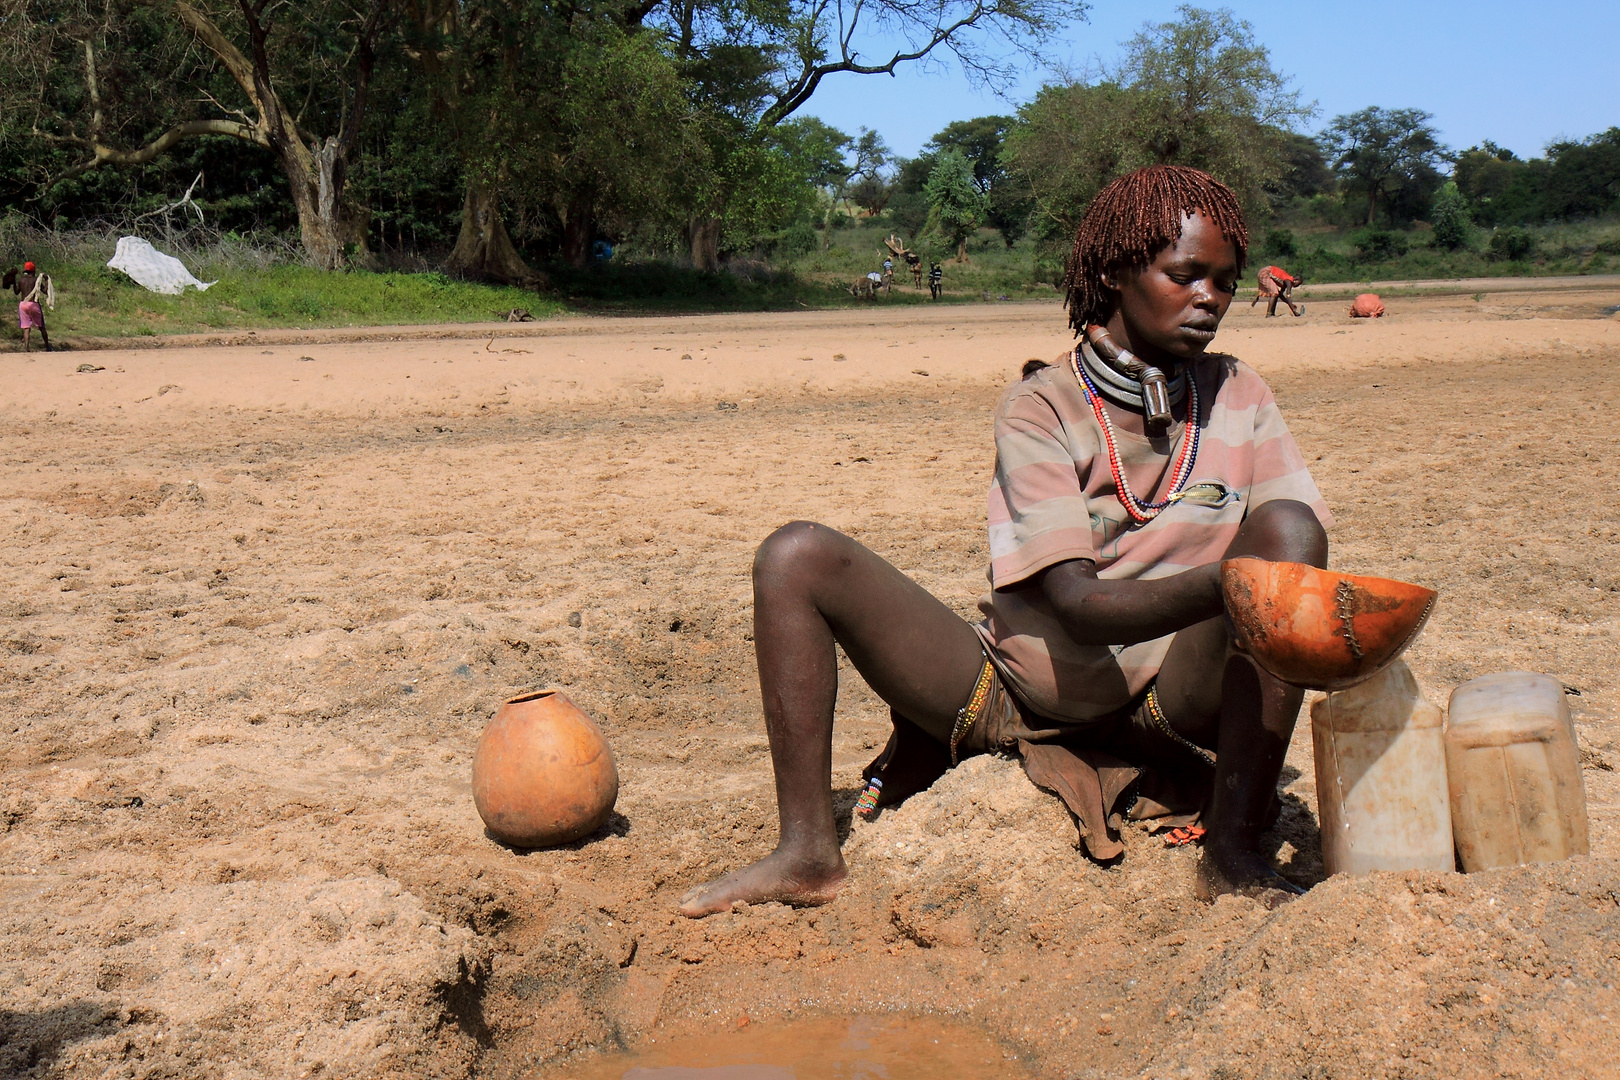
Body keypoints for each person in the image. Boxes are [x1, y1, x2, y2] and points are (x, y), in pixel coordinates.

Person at [678, 165, 1333, 919]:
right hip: (1016, 690)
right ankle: (806, 854)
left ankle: (1234, 851)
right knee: (794, 555)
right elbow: (1075, 604)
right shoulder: (1040, 405)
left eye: (1225, 281)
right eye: (1185, 275)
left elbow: (1295, 556)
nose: (1210, 300)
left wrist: (1284, 601)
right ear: (1116, 271)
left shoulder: (1238, 390)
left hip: (1171, 698)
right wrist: (1231, 587)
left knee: (1290, 531)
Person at [5, 260, 53, 352]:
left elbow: (16, 292)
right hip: (34, 304)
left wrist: (14, 282)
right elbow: (45, 291)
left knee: (26, 328)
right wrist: (47, 280)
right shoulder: (36, 280)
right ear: (34, 271)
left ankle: (27, 348)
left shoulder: (21, 280)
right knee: (41, 327)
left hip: (23, 304)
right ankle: (47, 347)